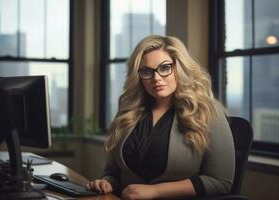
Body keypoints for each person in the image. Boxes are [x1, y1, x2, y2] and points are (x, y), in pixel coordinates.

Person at [87, 35, 235, 199]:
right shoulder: (128, 111)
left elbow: (220, 181)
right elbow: (114, 172)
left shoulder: (207, 110)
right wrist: (106, 182)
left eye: (165, 68)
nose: (156, 78)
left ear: (179, 68)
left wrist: (155, 191)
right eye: (146, 71)